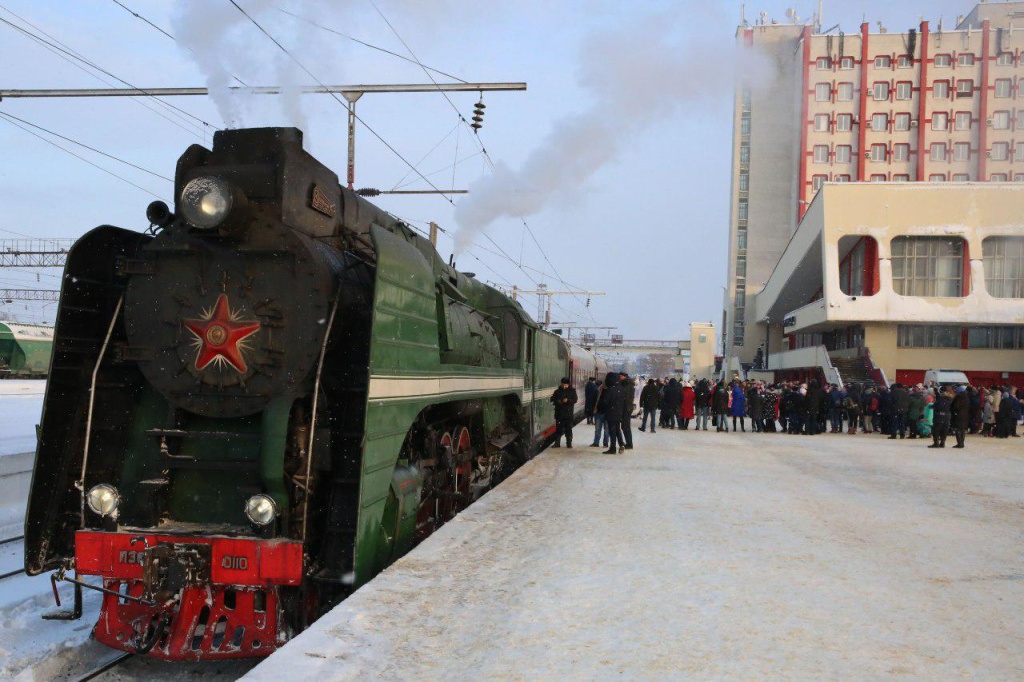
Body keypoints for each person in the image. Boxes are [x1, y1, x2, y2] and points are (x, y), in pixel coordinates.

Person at [602, 372, 628, 454]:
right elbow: (625, 402)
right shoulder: (622, 389)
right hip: (619, 413)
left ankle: (613, 448)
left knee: (612, 431)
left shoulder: (610, 389)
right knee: (617, 429)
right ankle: (621, 444)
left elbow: (605, 402)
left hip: (611, 412)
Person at [549, 377, 578, 448]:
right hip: (559, 414)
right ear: (561, 384)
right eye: (563, 384)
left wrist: (568, 400)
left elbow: (575, 399)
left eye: (566, 384)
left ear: (568, 384)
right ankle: (557, 443)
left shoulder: (572, 391)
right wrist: (558, 401)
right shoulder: (557, 391)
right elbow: (552, 399)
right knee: (558, 429)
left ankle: (569, 443)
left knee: (568, 429)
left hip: (568, 414)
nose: (564, 386)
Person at [619, 372, 636, 449]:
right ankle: (629, 443)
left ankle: (629, 444)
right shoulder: (628, 384)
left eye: (620, 376)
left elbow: (627, 397)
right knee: (625, 426)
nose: (619, 378)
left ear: (624, 377)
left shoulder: (627, 385)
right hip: (627, 408)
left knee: (625, 426)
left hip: (626, 408)